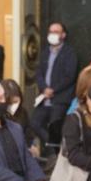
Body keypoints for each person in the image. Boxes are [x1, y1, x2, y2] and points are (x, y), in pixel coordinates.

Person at [31, 22, 79, 151]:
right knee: (35, 123)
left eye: (56, 32)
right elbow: (39, 72)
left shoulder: (69, 52)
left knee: (54, 127)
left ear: (63, 35)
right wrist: (44, 88)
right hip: (44, 98)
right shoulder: (45, 52)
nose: (52, 35)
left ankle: (56, 155)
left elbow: (69, 76)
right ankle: (56, 149)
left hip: (60, 99)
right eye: (50, 32)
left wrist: (53, 90)